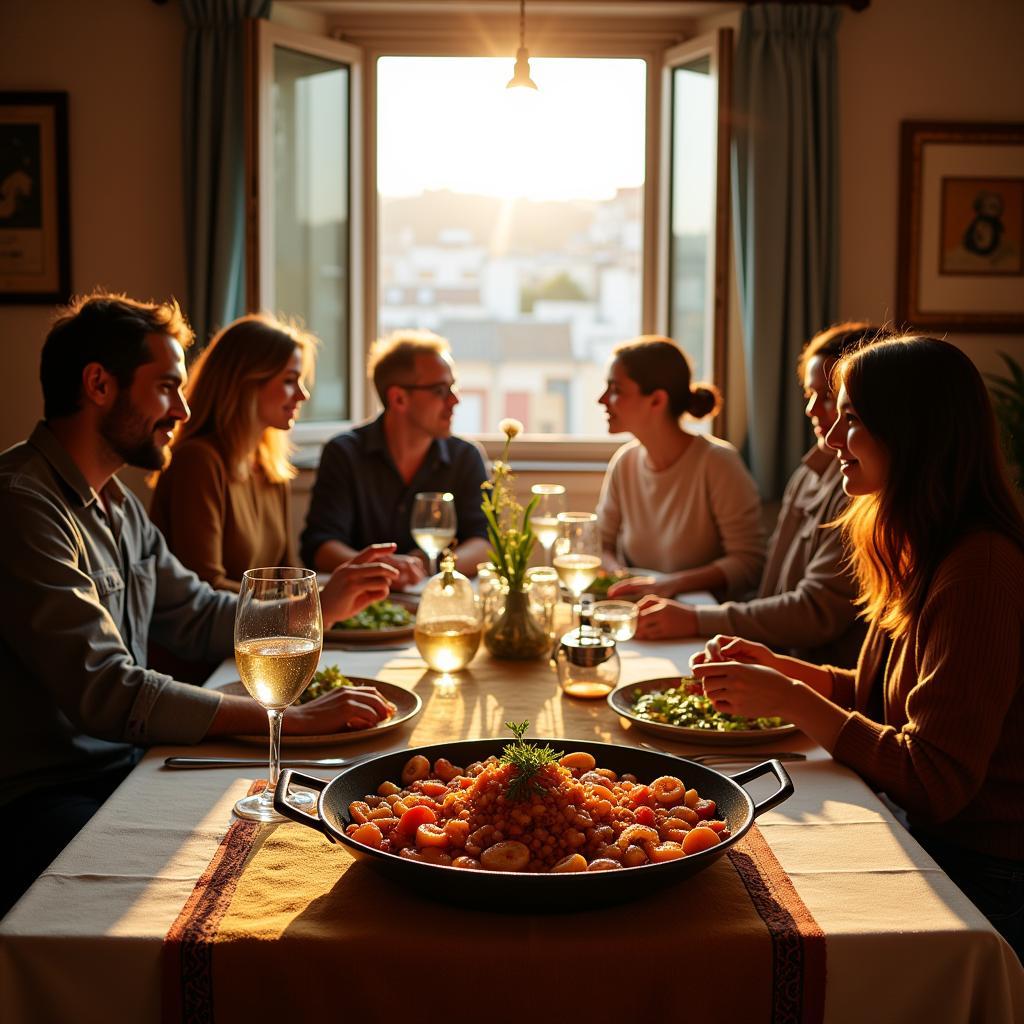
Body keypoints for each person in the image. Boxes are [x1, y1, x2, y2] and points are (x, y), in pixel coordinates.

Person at [0, 292, 398, 915]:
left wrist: (321, 601)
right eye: (165, 388)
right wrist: (289, 719)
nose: (182, 409)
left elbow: (206, 615)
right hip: (44, 799)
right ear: (99, 384)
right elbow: (106, 687)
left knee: (306, 831)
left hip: (125, 765)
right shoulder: (23, 505)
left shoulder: (116, 505)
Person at [691, 336, 1024, 958]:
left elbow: (936, 778)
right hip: (932, 838)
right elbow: (880, 699)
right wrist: (781, 670)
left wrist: (789, 697)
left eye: (852, 421)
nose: (832, 440)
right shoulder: (919, 543)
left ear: (912, 433)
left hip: (984, 875)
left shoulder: (980, 570)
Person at [631, 323, 881, 666]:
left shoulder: (860, 492)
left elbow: (813, 612)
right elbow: (770, 589)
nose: (811, 410)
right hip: (770, 657)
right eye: (810, 394)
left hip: (808, 674)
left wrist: (696, 617)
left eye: (829, 398)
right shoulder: (809, 475)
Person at [301, 329, 490, 578]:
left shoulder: (465, 457)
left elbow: (484, 544)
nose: (455, 401)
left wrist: (431, 566)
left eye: (453, 387)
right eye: (440, 390)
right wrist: (384, 570)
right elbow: (320, 546)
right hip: (363, 608)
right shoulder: (344, 453)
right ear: (399, 398)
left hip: (439, 601)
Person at [596, 335, 765, 602]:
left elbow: (748, 562)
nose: (602, 400)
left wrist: (668, 586)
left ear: (657, 400)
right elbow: (601, 543)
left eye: (615, 389)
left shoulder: (718, 463)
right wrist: (619, 576)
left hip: (703, 617)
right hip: (639, 607)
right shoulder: (624, 462)